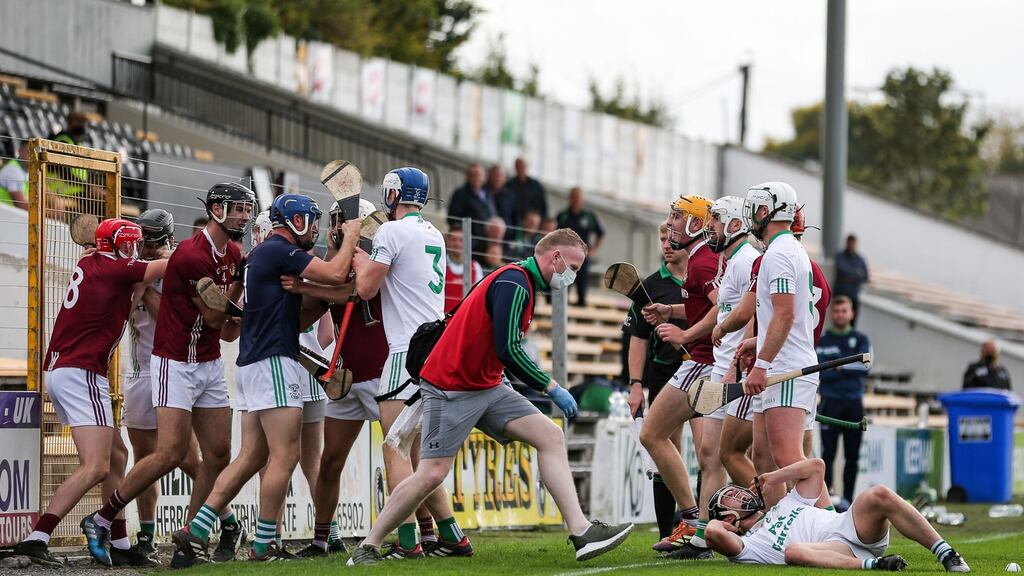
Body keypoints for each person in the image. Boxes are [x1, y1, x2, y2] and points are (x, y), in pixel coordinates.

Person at [348, 229, 634, 565]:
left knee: (550, 436)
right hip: (451, 387)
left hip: (485, 385)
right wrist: (551, 386)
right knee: (432, 472)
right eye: (572, 266)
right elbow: (508, 348)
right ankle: (368, 545)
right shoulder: (515, 282)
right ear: (555, 257)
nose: (572, 276)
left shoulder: (519, 281)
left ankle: (582, 532)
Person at [172, 193, 360, 565]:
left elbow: (306, 313)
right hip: (273, 360)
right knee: (286, 454)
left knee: (251, 455)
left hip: (253, 363)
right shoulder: (279, 251)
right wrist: (352, 235)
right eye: (311, 221)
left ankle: (195, 528)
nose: (316, 229)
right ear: (295, 220)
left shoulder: (260, 255)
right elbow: (338, 275)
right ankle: (264, 544)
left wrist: (313, 292)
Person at [82, 183, 254, 566]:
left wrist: (244, 303)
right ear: (216, 210)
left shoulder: (234, 253)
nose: (244, 215)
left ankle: (191, 537)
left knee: (218, 454)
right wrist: (243, 284)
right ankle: (104, 516)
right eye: (238, 208)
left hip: (207, 361)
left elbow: (225, 331)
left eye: (247, 208)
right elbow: (212, 317)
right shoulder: (191, 256)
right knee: (171, 453)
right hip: (172, 362)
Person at [13, 219, 167, 567]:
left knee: (117, 455)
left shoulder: (92, 262)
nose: (136, 250)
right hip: (82, 371)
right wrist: (166, 251)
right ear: (118, 247)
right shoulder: (116, 267)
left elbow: (122, 307)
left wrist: (139, 283)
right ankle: (37, 537)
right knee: (96, 466)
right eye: (133, 244)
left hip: (63, 369)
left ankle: (120, 542)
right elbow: (171, 265)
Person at [353, 167, 470, 558]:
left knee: (394, 449)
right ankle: (453, 535)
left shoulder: (390, 231)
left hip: (405, 351)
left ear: (393, 194)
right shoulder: (433, 232)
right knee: (420, 458)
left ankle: (407, 541)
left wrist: (358, 262)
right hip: (434, 350)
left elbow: (367, 288)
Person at [284, 198, 390, 557]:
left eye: (344, 221)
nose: (338, 226)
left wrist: (304, 287)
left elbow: (354, 291)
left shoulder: (380, 259)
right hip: (345, 377)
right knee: (330, 462)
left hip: (382, 375)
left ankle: (423, 537)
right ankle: (321, 539)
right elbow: (308, 315)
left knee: (402, 459)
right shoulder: (334, 264)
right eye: (337, 220)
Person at [704, 458, 971, 572]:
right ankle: (876, 566)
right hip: (834, 550)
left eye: (735, 492)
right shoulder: (748, 546)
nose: (739, 495)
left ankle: (947, 554)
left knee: (879, 493)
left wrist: (773, 477)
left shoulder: (784, 504)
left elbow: (816, 467)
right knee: (793, 552)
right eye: (732, 500)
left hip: (848, 526)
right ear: (729, 518)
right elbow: (713, 532)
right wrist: (726, 527)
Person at [638, 194, 718, 560]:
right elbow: (708, 305)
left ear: (698, 223)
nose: (670, 223)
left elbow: (724, 309)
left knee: (654, 434)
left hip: (704, 362)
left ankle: (692, 522)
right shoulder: (704, 259)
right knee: (716, 455)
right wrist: (670, 309)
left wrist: (684, 334)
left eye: (678, 216)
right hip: (712, 362)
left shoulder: (702, 262)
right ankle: (702, 528)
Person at [120, 209, 201, 562]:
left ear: (166, 240)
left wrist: (147, 285)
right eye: (142, 243)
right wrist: (137, 283)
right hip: (140, 373)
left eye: (152, 243)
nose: (146, 250)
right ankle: (147, 536)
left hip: (175, 370)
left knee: (187, 458)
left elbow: (167, 315)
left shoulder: (177, 268)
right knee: (145, 459)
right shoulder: (135, 269)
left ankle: (224, 519)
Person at [740, 182, 827, 511]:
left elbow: (785, 314)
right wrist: (757, 343)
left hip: (785, 367)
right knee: (763, 456)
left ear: (766, 212)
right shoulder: (788, 249)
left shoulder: (778, 253)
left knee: (790, 458)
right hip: (783, 361)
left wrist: (761, 362)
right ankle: (777, 526)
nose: (752, 216)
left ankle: (833, 528)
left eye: (755, 209)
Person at [623, 224, 689, 546]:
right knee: (665, 449)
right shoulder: (649, 286)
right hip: (664, 377)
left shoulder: (706, 281)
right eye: (662, 239)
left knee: (708, 452)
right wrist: (636, 384)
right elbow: (637, 339)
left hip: (702, 370)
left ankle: (698, 528)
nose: (667, 244)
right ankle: (668, 535)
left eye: (672, 238)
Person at [817, 296, 872, 505]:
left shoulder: (861, 339)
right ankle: (826, 502)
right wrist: (845, 368)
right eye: (837, 311)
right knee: (827, 455)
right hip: (829, 403)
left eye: (844, 311)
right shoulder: (822, 341)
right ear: (832, 314)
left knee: (852, 457)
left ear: (852, 313)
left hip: (853, 404)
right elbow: (821, 371)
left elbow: (866, 367)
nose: (840, 315)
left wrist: (837, 366)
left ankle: (849, 501)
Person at [556, 187, 605, 306]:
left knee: (582, 288)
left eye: (578, 197)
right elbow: (554, 234)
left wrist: (594, 250)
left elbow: (601, 233)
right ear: (569, 198)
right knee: (565, 287)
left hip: (583, 257)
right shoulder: (563, 215)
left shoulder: (589, 216)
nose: (576, 200)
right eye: (573, 197)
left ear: (583, 199)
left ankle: (581, 310)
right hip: (566, 257)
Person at [447, 163, 494, 244]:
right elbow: (453, 218)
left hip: (487, 239)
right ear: (468, 177)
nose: (476, 178)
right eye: (472, 175)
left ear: (484, 176)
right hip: (470, 239)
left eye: (478, 175)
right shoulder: (460, 193)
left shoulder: (488, 193)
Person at [443, 223, 483, 313]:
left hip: (465, 320)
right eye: (453, 240)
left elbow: (479, 298)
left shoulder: (475, 267)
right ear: (447, 242)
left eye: (461, 240)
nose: (457, 244)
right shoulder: (440, 264)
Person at [833, 234, 868, 325]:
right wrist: (856, 274)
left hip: (853, 296)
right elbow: (841, 270)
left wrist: (851, 276)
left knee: (852, 323)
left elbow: (865, 276)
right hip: (840, 294)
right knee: (838, 320)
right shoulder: (840, 256)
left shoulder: (860, 259)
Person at [505, 157, 548, 224]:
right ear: (515, 168)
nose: (520, 168)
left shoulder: (536, 185)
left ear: (527, 167)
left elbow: (543, 207)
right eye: (518, 166)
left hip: (533, 224)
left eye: (522, 166)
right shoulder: (509, 185)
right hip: (514, 222)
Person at [0, 139, 29, 209]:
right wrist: (51, 214)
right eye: (28, 152)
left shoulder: (29, 171)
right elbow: (21, 206)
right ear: (20, 151)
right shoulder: (13, 170)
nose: (33, 156)